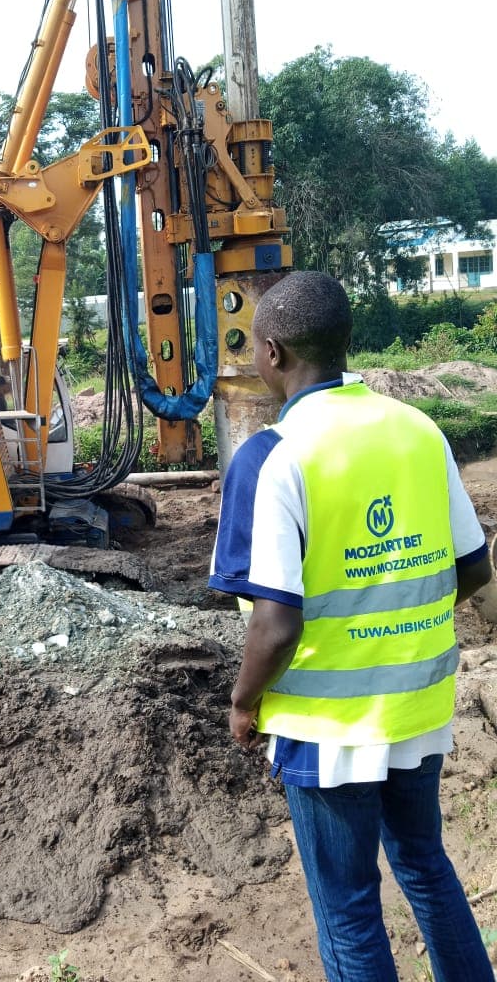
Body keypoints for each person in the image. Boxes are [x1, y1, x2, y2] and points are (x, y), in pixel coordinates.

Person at [208, 270, 493, 982]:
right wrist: (394, 625)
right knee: (425, 865)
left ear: (271, 352)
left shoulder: (273, 455)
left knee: (348, 908)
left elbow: (275, 624)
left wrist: (243, 702)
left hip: (327, 727)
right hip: (417, 710)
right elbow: (473, 569)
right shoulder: (419, 431)